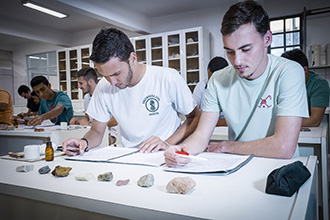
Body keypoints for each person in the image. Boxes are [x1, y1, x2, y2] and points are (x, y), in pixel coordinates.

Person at [164, 0, 309, 167]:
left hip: (279, 169)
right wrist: (180, 150)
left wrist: (227, 146)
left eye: (246, 49)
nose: (237, 61)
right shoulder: (217, 80)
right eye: (229, 52)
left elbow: (283, 147)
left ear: (267, 39)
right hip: (237, 164)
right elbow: (201, 136)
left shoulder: (289, 71)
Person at [62, 27, 200, 156]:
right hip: (130, 156)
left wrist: (166, 143)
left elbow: (194, 117)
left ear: (132, 58)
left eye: (116, 73)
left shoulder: (167, 78)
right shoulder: (104, 86)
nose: (112, 82)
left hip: (167, 155)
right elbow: (97, 131)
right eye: (105, 76)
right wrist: (84, 143)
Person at [69, 67, 118, 144]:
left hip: (109, 135)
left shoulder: (106, 94)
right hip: (92, 132)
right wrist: (80, 123)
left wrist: (93, 126)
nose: (79, 86)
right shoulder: (86, 98)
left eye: (81, 83)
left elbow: (115, 121)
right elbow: (88, 117)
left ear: (91, 81)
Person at [281, 49, 329, 127]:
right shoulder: (286, 83)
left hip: (306, 128)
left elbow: (314, 121)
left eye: (289, 72)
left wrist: (280, 123)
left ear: (304, 70)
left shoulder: (319, 84)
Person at [193, 56, 228, 126]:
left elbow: (233, 121)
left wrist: (206, 121)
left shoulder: (234, 89)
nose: (211, 82)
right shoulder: (201, 86)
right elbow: (194, 114)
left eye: (215, 79)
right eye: (209, 77)